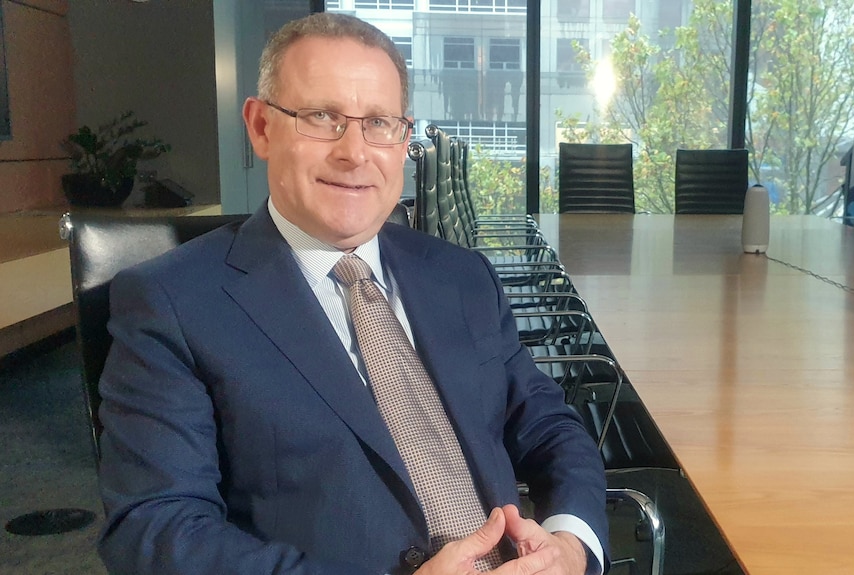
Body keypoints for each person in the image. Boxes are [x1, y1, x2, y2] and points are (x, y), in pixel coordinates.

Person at [96, 12, 608, 575]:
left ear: (404, 139)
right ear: (262, 127)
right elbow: (156, 529)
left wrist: (570, 544)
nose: (355, 152)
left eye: (380, 123)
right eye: (322, 117)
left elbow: (551, 427)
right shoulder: (170, 303)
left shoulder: (461, 276)